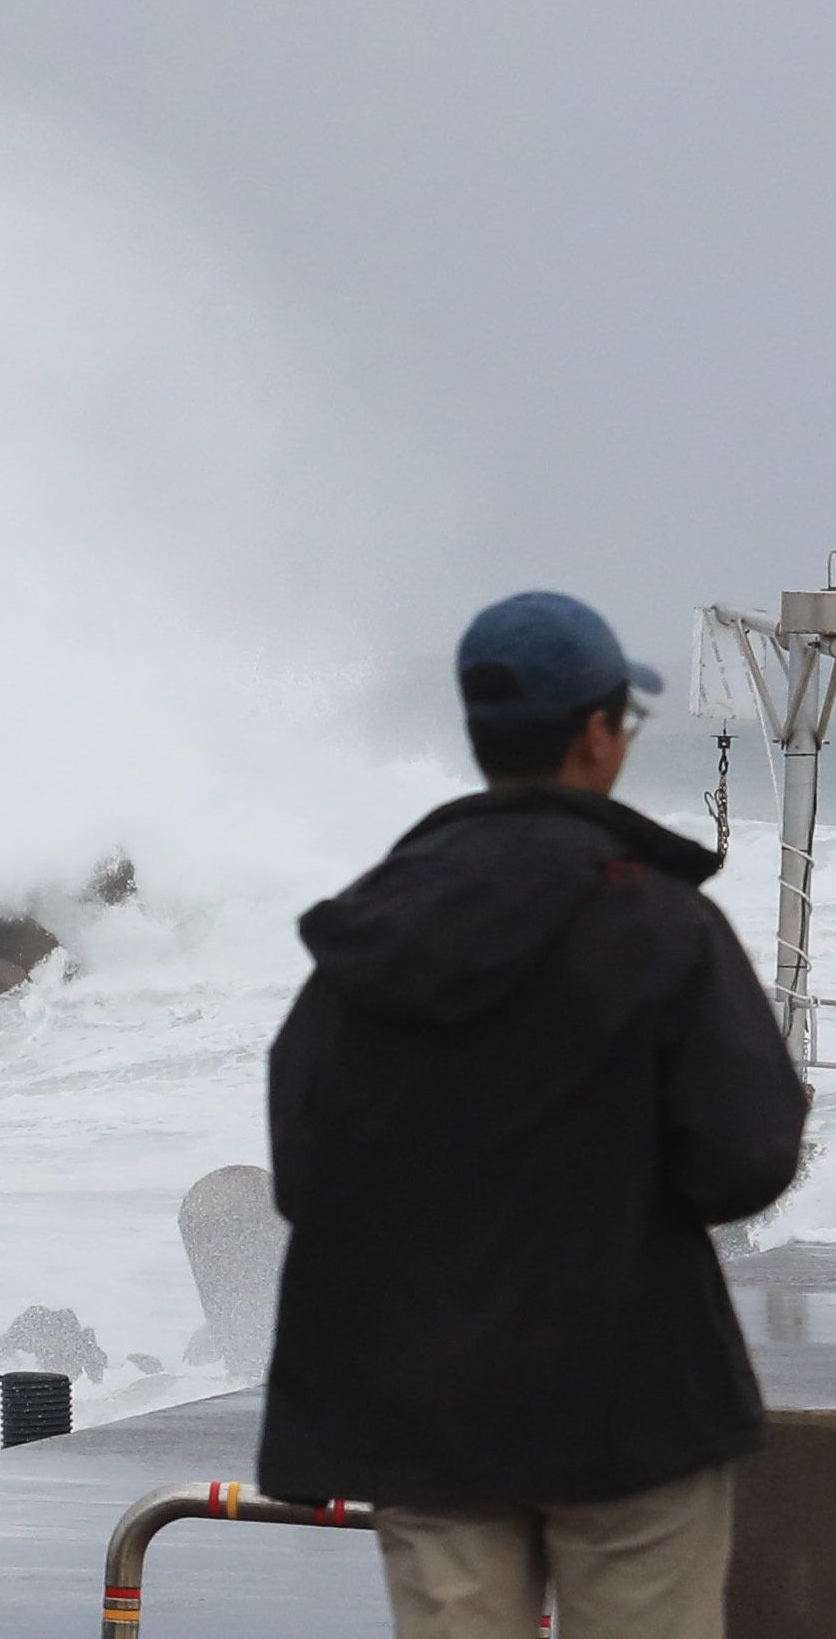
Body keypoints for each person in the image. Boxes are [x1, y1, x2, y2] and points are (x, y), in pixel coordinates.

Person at [258, 590, 808, 1639]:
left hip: (427, 1407)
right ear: (599, 733)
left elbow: (310, 1171)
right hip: (634, 1399)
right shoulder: (660, 920)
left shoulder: (379, 926)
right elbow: (744, 1156)